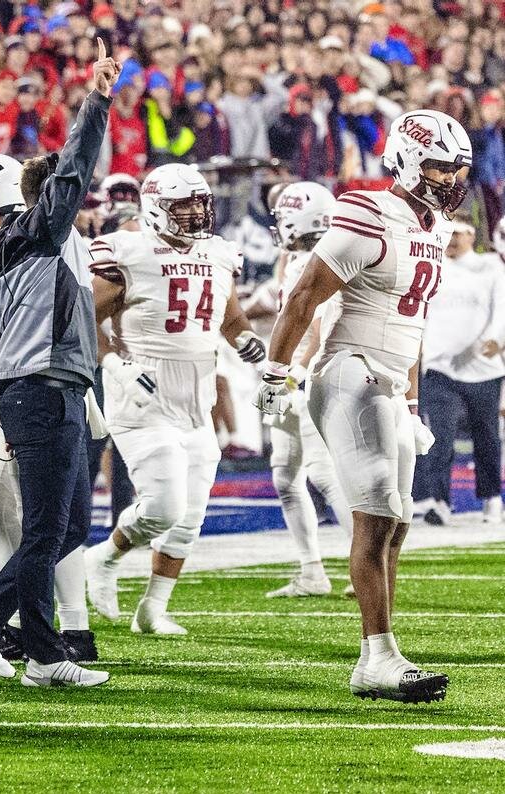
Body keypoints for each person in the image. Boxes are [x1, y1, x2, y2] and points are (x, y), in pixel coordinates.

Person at [257, 109, 471, 704]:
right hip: (350, 369)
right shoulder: (369, 213)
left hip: (390, 379)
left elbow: (415, 326)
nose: (448, 177)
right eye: (436, 165)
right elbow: (304, 295)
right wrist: (276, 372)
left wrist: (413, 400)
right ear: (404, 160)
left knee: (396, 523)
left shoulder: (430, 225)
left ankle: (382, 653)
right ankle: (377, 656)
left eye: (455, 167)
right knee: (375, 515)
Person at [0, 40, 117, 690]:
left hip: (47, 384)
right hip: (39, 388)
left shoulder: (18, 245)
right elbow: (69, 174)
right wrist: (96, 100)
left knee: (64, 526)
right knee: (47, 528)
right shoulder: (30, 235)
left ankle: (31, 646)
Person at [81, 164, 266, 635]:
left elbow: (228, 316)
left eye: (201, 203)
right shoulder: (129, 251)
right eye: (185, 205)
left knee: (189, 517)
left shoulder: (219, 253)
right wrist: (112, 361)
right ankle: (104, 556)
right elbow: (81, 317)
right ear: (157, 208)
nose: (197, 213)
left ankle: (153, 608)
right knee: (163, 506)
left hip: (197, 397)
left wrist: (245, 341)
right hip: (143, 395)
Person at [261, 181, 356, 598]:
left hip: (307, 376)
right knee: (285, 475)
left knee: (322, 472)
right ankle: (312, 571)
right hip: (286, 375)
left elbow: (320, 327)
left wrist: (292, 373)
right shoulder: (293, 257)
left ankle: (367, 565)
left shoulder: (325, 258)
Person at [415, 219, 505, 525]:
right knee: (439, 437)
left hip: (484, 368)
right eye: (447, 233)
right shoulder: (432, 266)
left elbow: (501, 308)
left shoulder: (491, 267)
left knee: (487, 436)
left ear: (471, 234)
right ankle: (439, 501)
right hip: (440, 369)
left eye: (457, 233)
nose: (450, 239)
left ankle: (491, 498)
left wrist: (493, 340)